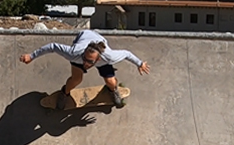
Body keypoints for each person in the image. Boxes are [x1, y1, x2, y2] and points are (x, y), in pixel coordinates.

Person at [19, 29, 150, 109]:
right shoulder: (74, 53)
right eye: (85, 60)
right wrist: (31, 56)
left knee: (110, 82)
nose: (86, 63)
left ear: (98, 59)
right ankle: (64, 93)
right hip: (83, 37)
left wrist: (140, 63)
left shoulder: (108, 57)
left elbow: (127, 53)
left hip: (100, 44)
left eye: (89, 62)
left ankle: (113, 90)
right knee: (76, 79)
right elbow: (52, 46)